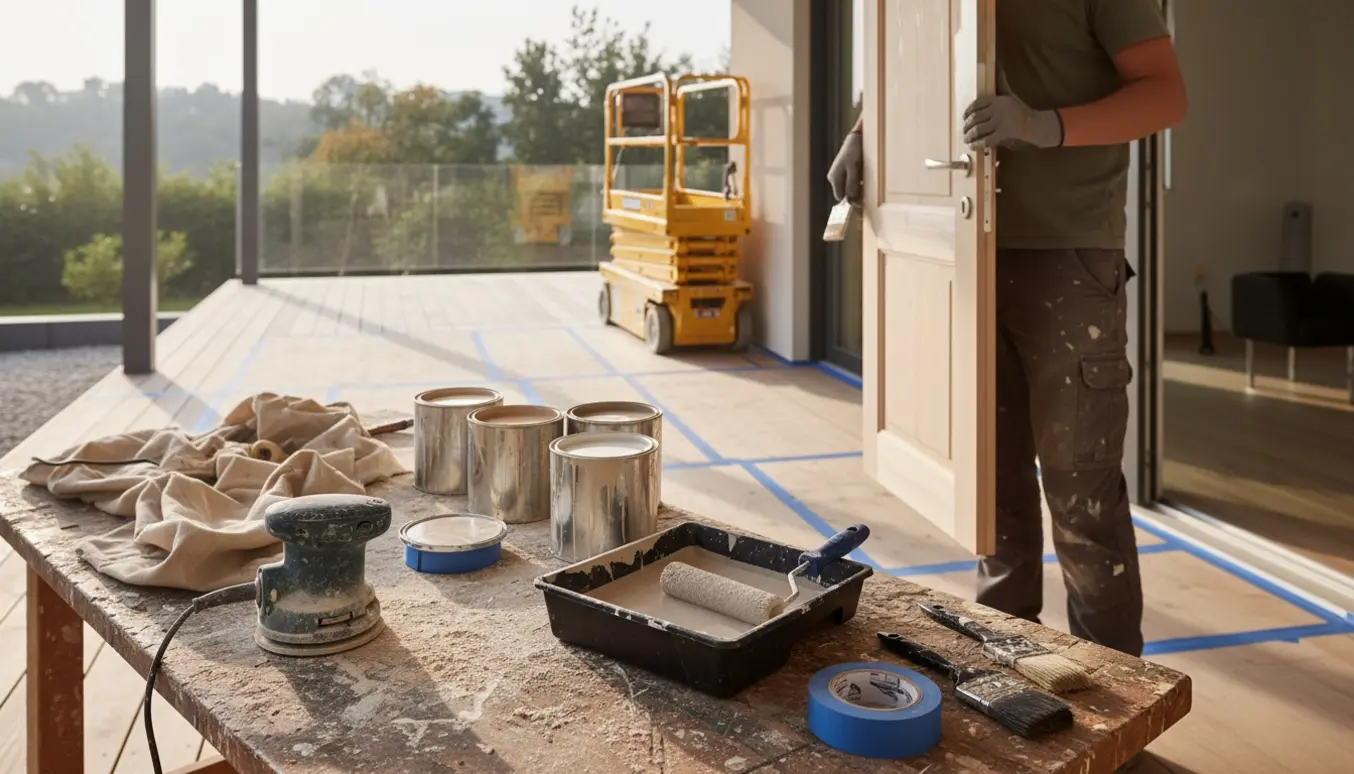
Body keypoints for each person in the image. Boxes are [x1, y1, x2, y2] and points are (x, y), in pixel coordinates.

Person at [828, 0, 1186, 662]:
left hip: (1067, 258)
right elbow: (917, 70)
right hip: (962, 250)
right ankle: (1005, 667)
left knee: (1082, 500)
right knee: (991, 494)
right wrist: (866, 129)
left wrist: (1044, 126)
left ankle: (1116, 700)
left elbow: (1166, 97)